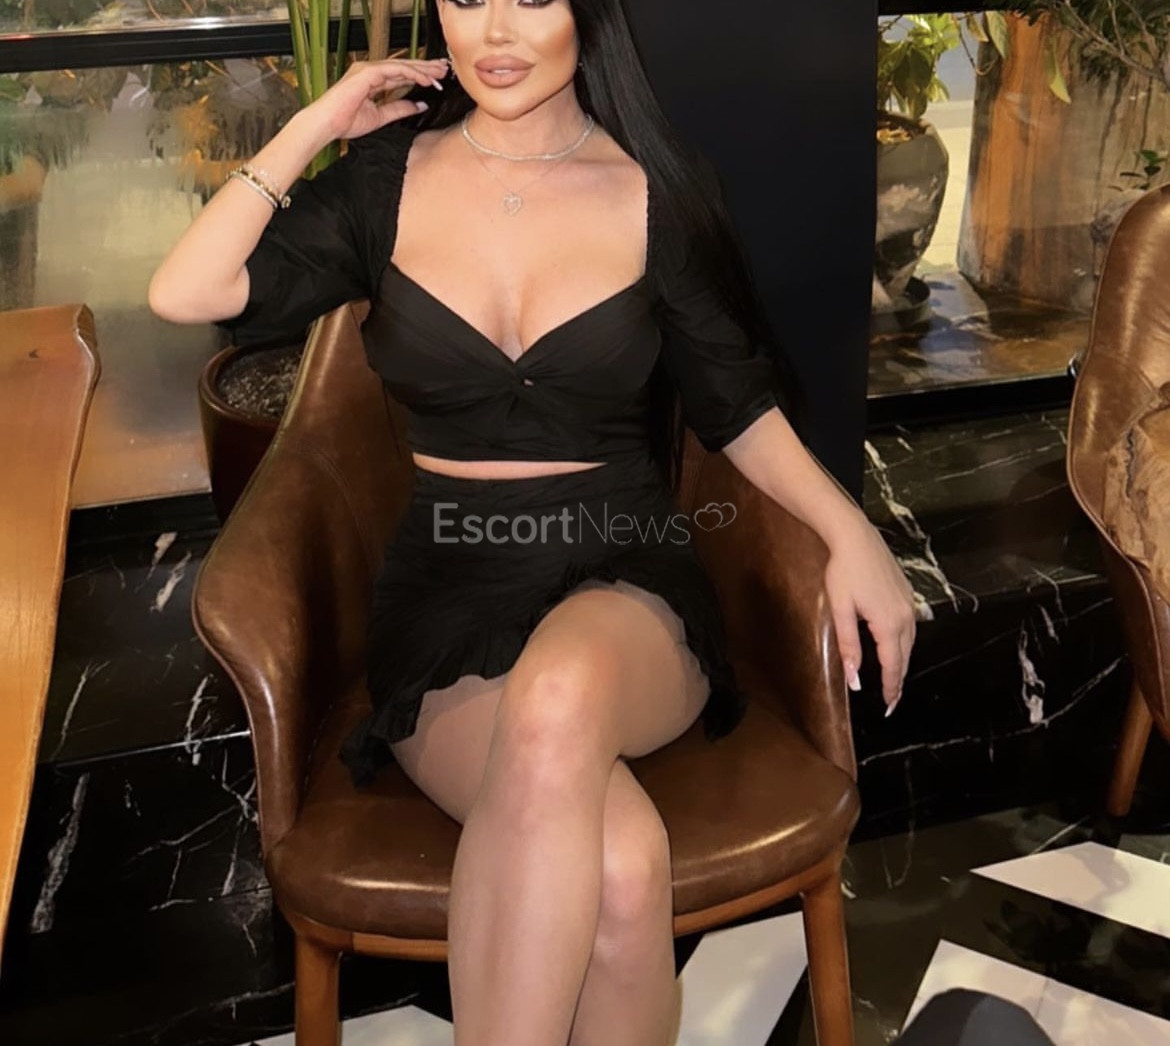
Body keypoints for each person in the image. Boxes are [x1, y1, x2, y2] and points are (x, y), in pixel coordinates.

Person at [150, 1, 917, 1043]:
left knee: (560, 692)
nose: (496, 31)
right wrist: (319, 123)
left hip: (626, 579)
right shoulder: (385, 183)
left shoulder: (653, 189)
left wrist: (853, 533)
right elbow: (187, 289)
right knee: (625, 872)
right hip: (448, 592)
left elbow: (737, 406)